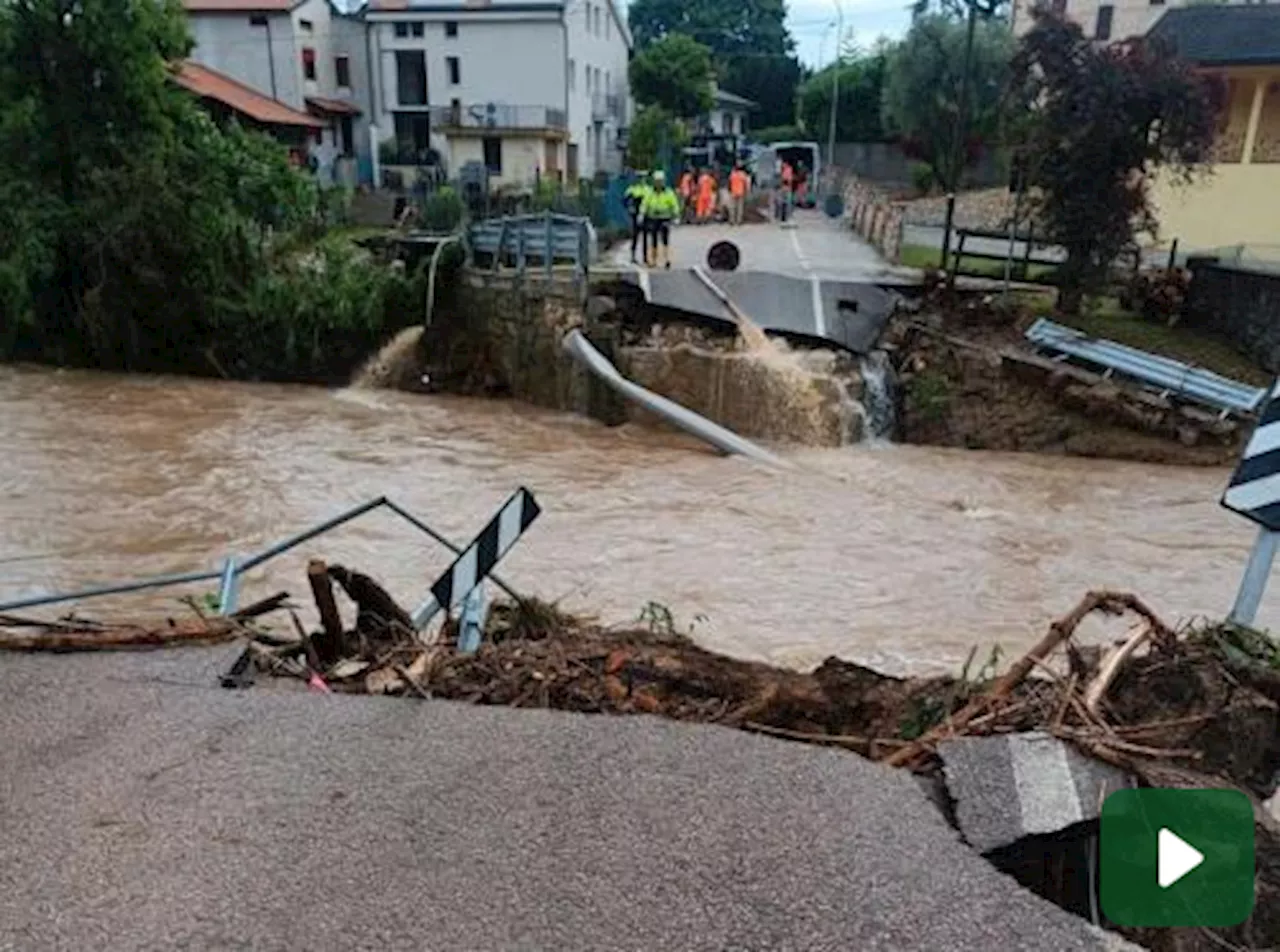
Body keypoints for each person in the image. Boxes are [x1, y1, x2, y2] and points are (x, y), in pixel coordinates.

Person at [641, 170, 680, 268]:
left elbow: (674, 204)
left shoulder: (668, 192)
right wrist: (642, 213)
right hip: (653, 217)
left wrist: (676, 216)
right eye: (657, 181)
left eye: (661, 181)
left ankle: (666, 259)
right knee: (653, 239)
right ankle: (654, 260)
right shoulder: (650, 192)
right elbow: (645, 203)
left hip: (665, 217)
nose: (659, 183)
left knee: (665, 238)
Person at [623, 171, 652, 264]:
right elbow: (625, 200)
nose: (641, 180)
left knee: (645, 237)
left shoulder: (648, 189)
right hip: (635, 214)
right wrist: (629, 208)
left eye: (643, 178)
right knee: (635, 236)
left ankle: (645, 257)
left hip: (646, 214)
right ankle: (633, 256)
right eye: (639, 178)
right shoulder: (632, 189)